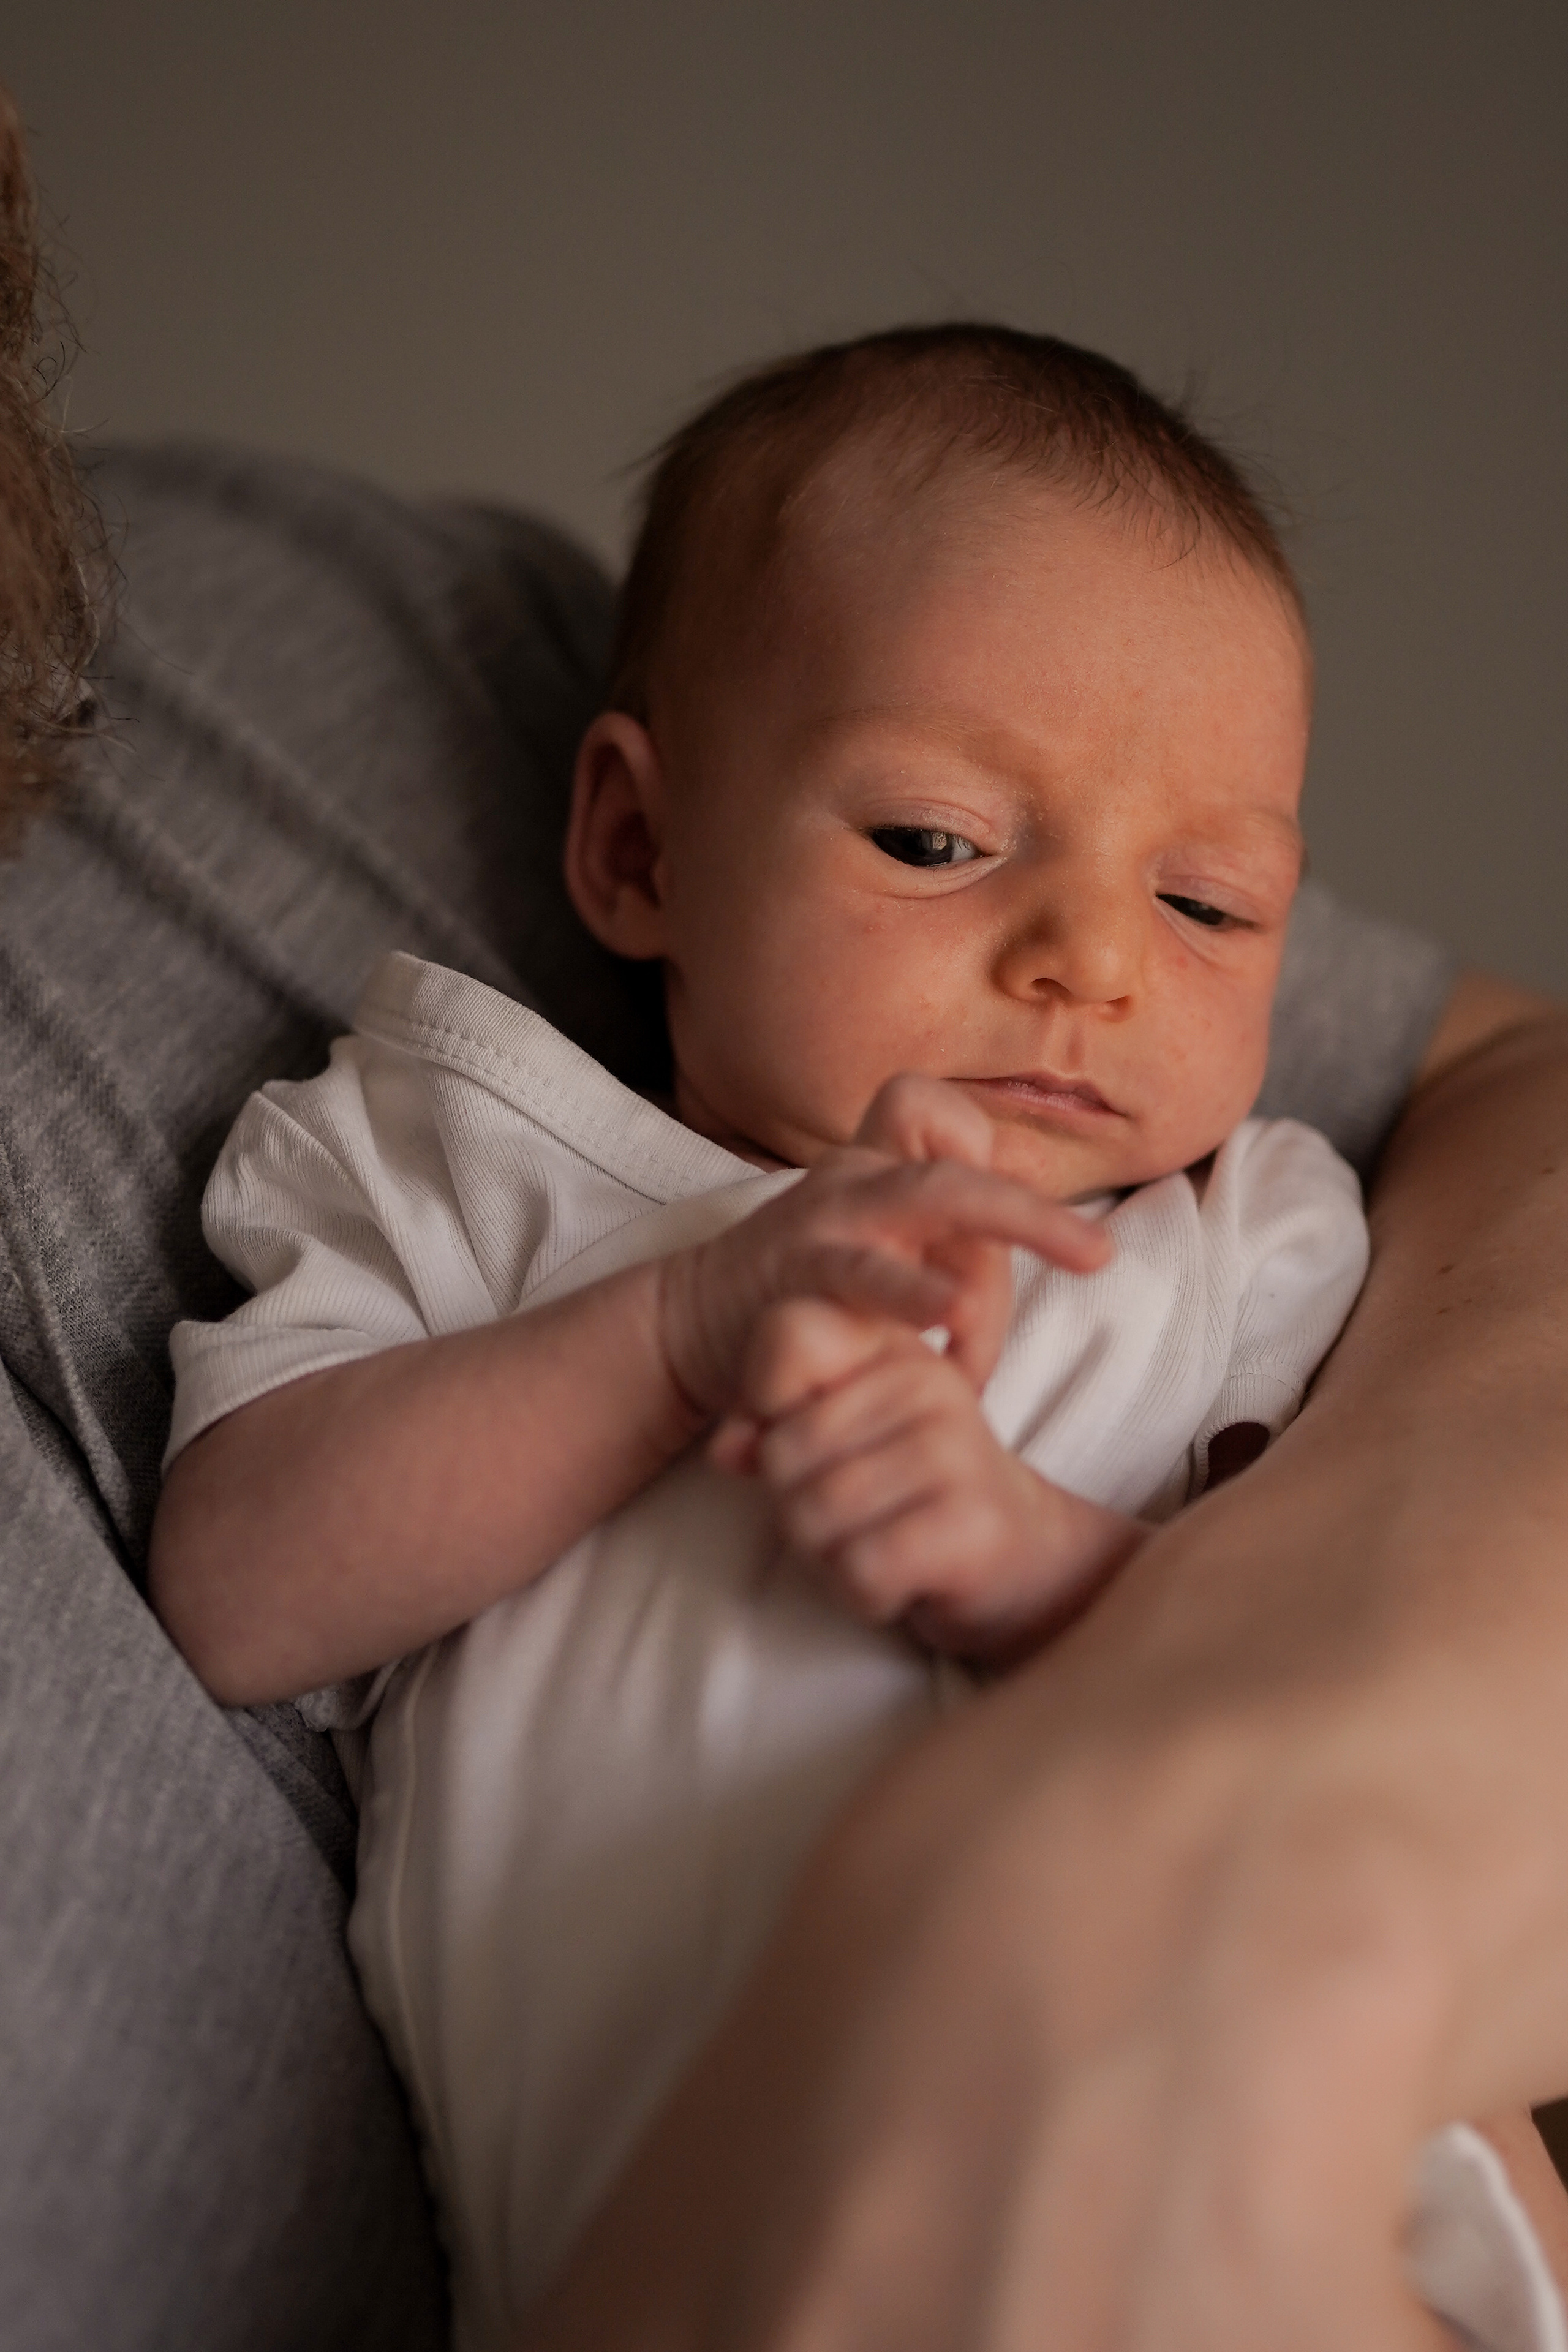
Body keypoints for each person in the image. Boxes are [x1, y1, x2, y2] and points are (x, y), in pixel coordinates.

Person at [4, 86, 1564, 2352]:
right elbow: (240, 1592)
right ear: (635, 853)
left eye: (1212, 900)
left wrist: (1050, 1574)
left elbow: (1341, 1651)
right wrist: (662, 1335)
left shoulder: (1239, 1243)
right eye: (939, 844)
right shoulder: (475, 1157)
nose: (1093, 965)